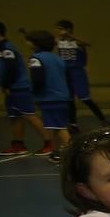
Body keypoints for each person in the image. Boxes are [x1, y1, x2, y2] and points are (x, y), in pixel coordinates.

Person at [0, 19, 51, 157]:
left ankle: (50, 143)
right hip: (10, 88)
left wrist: (7, 85)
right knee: (14, 117)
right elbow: (2, 69)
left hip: (19, 88)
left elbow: (11, 68)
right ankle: (18, 145)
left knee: (29, 115)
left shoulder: (7, 48)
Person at [25, 29, 71, 162]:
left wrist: (33, 92)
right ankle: (57, 152)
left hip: (49, 97)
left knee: (60, 127)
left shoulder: (36, 59)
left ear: (35, 43)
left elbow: (37, 79)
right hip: (62, 96)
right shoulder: (57, 58)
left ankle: (71, 154)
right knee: (55, 127)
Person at [55, 20, 107, 130]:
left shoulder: (78, 42)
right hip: (65, 72)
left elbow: (88, 43)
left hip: (77, 72)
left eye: (60, 29)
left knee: (85, 98)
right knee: (69, 99)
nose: (58, 31)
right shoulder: (59, 41)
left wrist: (70, 36)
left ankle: (103, 119)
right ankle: (73, 123)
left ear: (68, 29)